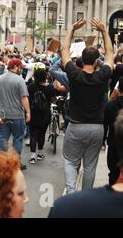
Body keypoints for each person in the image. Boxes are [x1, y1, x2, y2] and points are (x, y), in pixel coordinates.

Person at [61, 18, 114, 194]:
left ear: (81, 60)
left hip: (76, 125)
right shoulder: (103, 75)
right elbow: (109, 52)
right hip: (97, 128)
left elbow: (65, 50)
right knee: (90, 166)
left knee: (70, 160)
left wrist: (72, 29)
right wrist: (104, 31)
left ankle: (70, 192)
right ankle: (85, 197)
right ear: (97, 62)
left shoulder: (75, 74)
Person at [48, 111, 123, 218]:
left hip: (77, 123)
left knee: (71, 161)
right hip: (96, 126)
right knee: (90, 166)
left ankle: (73, 193)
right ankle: (85, 193)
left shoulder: (61, 209)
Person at [0, 58, 31, 170]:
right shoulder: (19, 80)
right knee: (18, 138)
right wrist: (28, 112)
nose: (20, 69)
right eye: (20, 67)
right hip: (17, 115)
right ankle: (16, 162)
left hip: (2, 114)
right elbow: (24, 97)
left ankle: (1, 161)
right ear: (16, 67)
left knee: (2, 137)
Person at [27, 63, 57, 164]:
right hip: (45, 114)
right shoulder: (49, 88)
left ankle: (32, 156)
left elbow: (27, 98)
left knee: (33, 134)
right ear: (45, 77)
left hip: (33, 113)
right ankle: (39, 153)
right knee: (42, 134)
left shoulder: (30, 87)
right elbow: (54, 99)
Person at [104, 77, 123, 185]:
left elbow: (104, 125)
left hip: (113, 144)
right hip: (114, 143)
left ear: (119, 88)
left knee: (113, 172)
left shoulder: (110, 106)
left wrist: (102, 141)